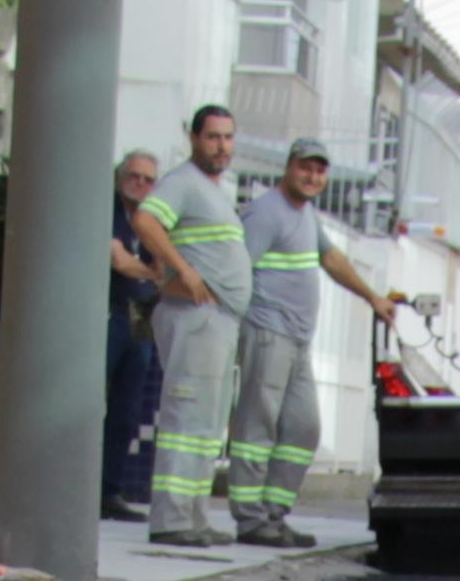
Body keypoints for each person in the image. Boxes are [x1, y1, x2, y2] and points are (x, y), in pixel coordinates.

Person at [224, 141, 400, 553]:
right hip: (268, 333)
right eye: (305, 168)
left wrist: (372, 297)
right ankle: (250, 520)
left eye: (320, 171)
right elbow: (236, 271)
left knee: (304, 427)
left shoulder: (304, 214)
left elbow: (332, 259)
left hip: (297, 340)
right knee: (256, 426)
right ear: (289, 167)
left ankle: (273, 515)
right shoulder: (266, 212)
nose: (313, 177)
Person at [142, 108, 255, 550]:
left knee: (206, 425)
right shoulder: (183, 182)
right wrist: (184, 270)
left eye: (228, 137)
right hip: (196, 317)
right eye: (213, 137)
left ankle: (193, 516)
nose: (222, 146)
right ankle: (171, 519)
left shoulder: (212, 191)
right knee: (186, 419)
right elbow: (146, 221)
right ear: (194, 138)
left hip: (217, 321)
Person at [105, 150, 204, 525]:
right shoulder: (110, 212)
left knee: (128, 411)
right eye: (134, 176)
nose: (141, 184)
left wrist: (155, 270)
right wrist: (154, 273)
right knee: (90, 405)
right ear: (120, 177)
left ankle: (108, 491)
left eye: (149, 180)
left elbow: (164, 260)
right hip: (109, 316)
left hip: (141, 321)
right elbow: (119, 261)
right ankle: (79, 487)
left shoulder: (153, 221)